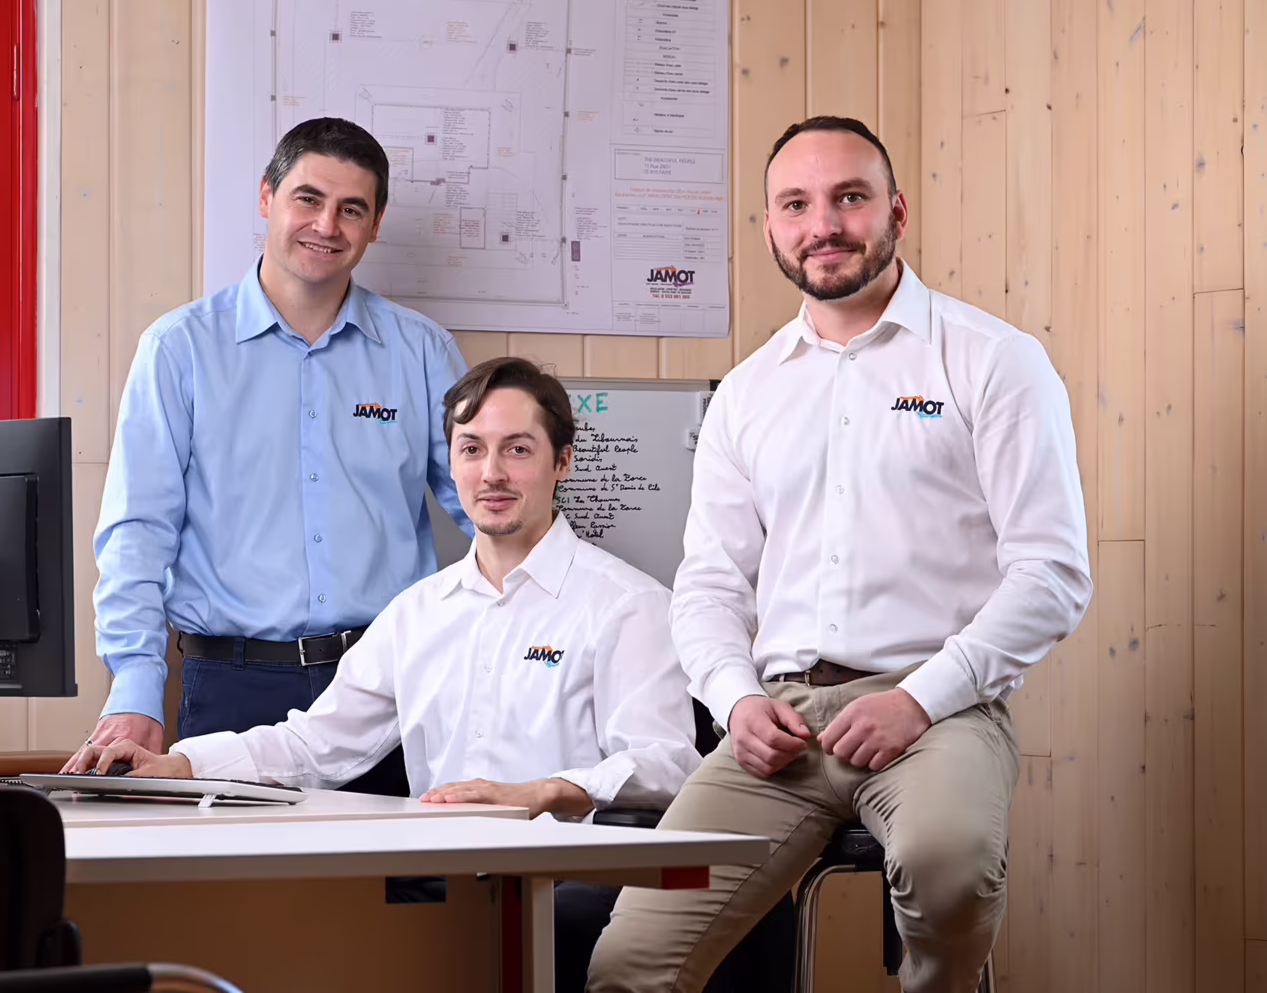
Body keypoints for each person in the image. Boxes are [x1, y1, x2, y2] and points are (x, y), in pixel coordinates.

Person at [586, 115, 1093, 993]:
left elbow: (1051, 575)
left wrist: (920, 698)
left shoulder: (995, 361)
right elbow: (709, 586)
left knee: (948, 866)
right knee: (626, 962)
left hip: (938, 711)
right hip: (778, 723)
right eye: (796, 204)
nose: (823, 224)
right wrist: (735, 701)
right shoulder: (747, 393)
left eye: (848, 197)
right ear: (771, 229)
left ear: (895, 210)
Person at [70, 356, 702, 993]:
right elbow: (316, 744)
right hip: (445, 879)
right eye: (472, 449)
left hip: (568, 880)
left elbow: (668, 763)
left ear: (561, 461)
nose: (491, 472)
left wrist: (544, 791)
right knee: (300, 926)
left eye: (517, 449)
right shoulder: (416, 613)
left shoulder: (627, 604)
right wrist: (180, 765)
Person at [64, 117, 473, 794]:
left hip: (386, 686)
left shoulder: (423, 352)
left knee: (394, 864)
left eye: (352, 209)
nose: (326, 225)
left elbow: (492, 509)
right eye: (308, 198)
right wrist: (136, 686)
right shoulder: (180, 349)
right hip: (231, 685)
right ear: (266, 197)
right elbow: (138, 533)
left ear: (375, 224)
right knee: (233, 868)